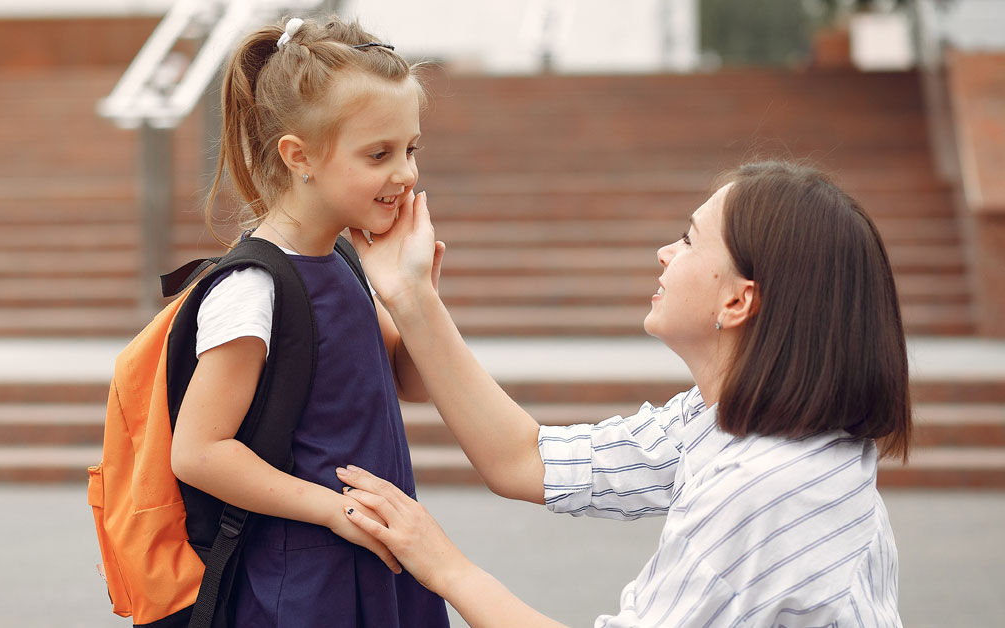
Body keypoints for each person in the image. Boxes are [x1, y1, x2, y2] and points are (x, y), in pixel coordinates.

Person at [338, 161, 910, 627]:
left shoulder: (765, 487)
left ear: (738, 301)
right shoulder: (723, 423)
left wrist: (446, 567)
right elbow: (524, 460)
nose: (666, 253)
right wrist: (411, 297)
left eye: (688, 240)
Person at [169, 16, 450, 628]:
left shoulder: (345, 257)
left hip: (376, 551)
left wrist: (417, 294)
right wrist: (330, 510)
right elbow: (198, 452)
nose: (404, 173)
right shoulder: (254, 288)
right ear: (299, 157)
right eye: (378, 154)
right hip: (308, 577)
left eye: (410, 150)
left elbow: (412, 383)